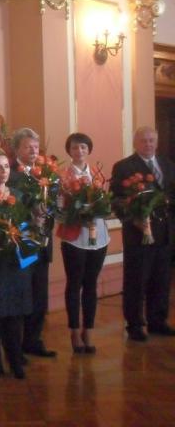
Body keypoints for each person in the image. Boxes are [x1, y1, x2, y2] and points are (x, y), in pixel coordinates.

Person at [110, 126, 175, 341]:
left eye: (151, 140)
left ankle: (158, 321)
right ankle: (135, 324)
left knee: (161, 279)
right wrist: (134, 220)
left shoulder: (167, 164)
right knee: (136, 280)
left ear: (157, 142)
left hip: (165, 232)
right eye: (144, 140)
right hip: (138, 234)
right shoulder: (124, 167)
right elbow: (116, 200)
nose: (148, 144)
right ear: (135, 143)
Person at [0, 149, 35, 380]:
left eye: (6, 167)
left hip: (16, 262)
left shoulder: (18, 195)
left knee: (16, 312)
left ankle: (15, 358)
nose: (3, 171)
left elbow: (26, 227)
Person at [58, 133, 110, 353]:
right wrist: (78, 212)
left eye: (83, 147)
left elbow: (105, 204)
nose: (79, 151)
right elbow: (59, 210)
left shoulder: (98, 174)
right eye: (74, 148)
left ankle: (88, 329)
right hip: (75, 238)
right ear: (69, 151)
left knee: (91, 284)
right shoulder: (63, 177)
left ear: (89, 149)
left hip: (99, 237)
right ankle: (74, 330)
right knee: (74, 283)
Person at [8, 127, 56, 358]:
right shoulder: (10, 175)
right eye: (28, 147)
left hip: (43, 241)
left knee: (39, 295)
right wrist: (31, 216)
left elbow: (52, 205)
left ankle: (33, 340)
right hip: (24, 241)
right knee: (22, 293)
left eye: (36, 147)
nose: (33, 151)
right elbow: (11, 209)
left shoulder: (45, 174)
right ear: (17, 149)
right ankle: (16, 346)